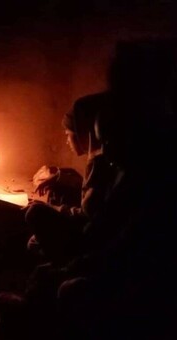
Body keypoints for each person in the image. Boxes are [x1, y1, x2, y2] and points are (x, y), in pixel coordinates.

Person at [25, 92, 116, 267]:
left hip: (88, 239)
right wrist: (60, 177)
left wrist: (53, 208)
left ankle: (63, 264)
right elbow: (86, 190)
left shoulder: (99, 164)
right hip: (87, 230)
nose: (67, 140)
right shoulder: (99, 159)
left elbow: (87, 215)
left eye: (68, 133)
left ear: (83, 132)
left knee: (34, 212)